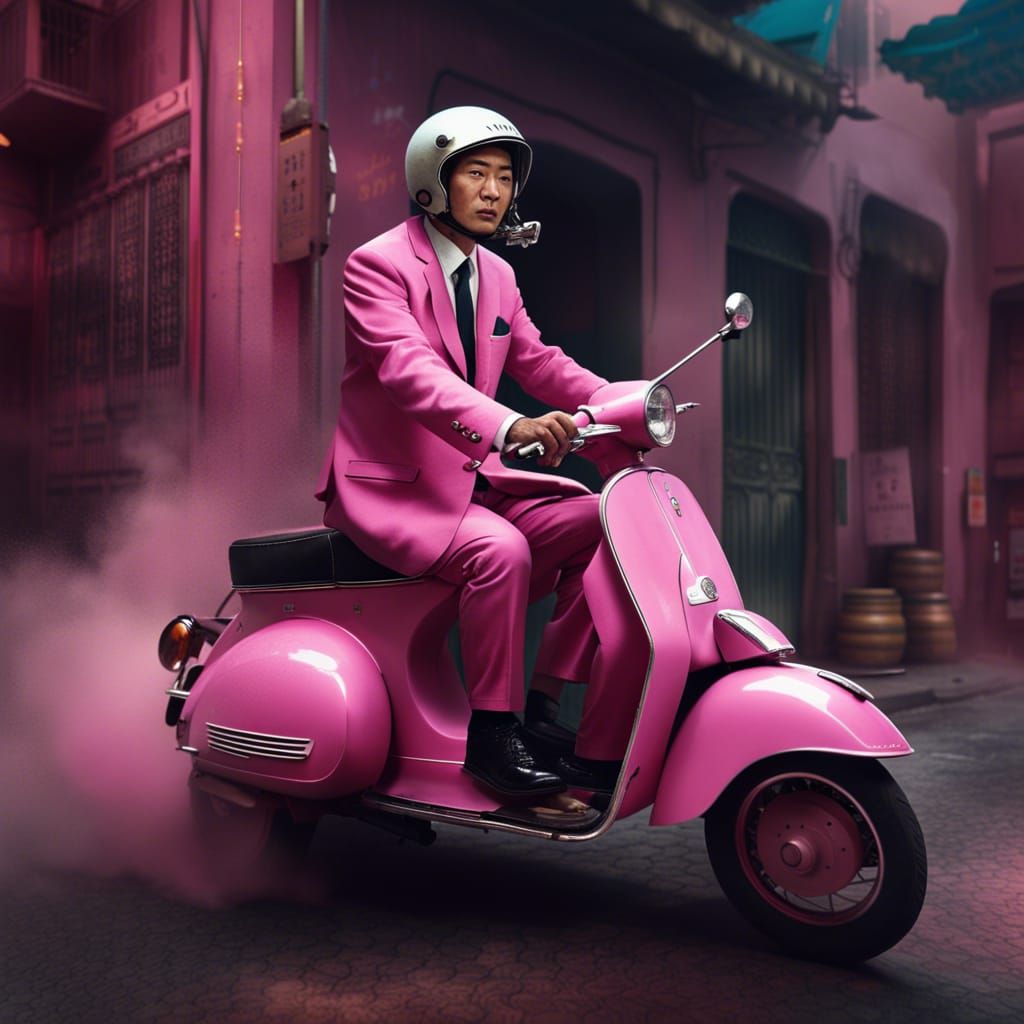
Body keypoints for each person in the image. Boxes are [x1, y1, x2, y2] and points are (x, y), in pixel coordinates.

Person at [316, 106, 623, 798]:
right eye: (476, 174)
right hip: (394, 488)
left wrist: (626, 401)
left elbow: (541, 362)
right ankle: (491, 735)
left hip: (470, 482)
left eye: (505, 178)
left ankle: (541, 709)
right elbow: (409, 371)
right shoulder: (378, 265)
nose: (493, 191)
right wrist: (510, 428)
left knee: (602, 525)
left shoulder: (499, 276)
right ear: (433, 181)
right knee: (500, 552)